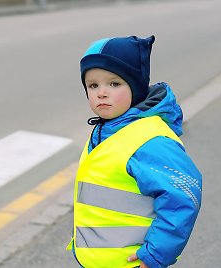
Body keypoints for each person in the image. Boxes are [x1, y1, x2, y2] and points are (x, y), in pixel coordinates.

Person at [66, 35, 202, 268]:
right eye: (93, 85)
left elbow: (182, 197)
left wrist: (156, 255)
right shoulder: (105, 130)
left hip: (132, 262)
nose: (101, 93)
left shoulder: (149, 140)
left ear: (136, 87)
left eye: (114, 83)